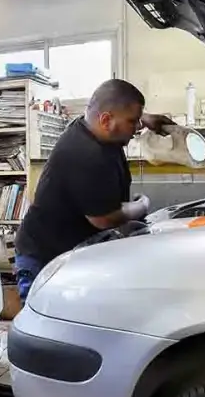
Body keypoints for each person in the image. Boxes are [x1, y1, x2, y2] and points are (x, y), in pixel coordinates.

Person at [13, 79, 174, 300]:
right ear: (106, 120)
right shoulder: (85, 154)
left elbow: (103, 108)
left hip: (71, 252)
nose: (137, 128)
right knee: (45, 325)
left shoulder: (91, 127)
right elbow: (105, 219)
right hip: (44, 258)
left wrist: (144, 117)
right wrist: (142, 205)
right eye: (133, 122)